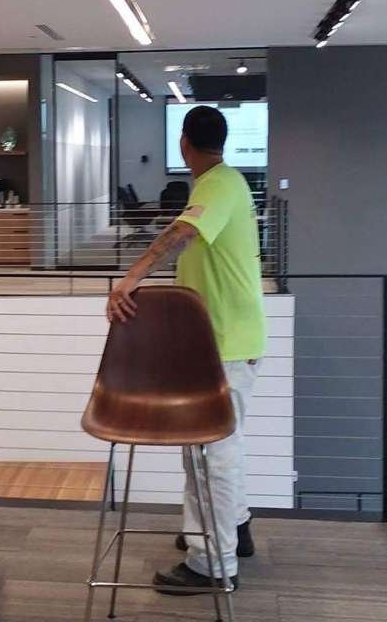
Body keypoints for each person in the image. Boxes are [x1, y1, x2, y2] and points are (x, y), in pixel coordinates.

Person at [106, 105, 266, 593]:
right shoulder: (224, 183)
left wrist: (131, 277)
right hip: (224, 342)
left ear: (184, 143)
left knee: (210, 455)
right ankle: (232, 530)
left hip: (225, 345)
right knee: (218, 449)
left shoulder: (217, 184)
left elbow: (182, 233)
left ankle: (212, 564)